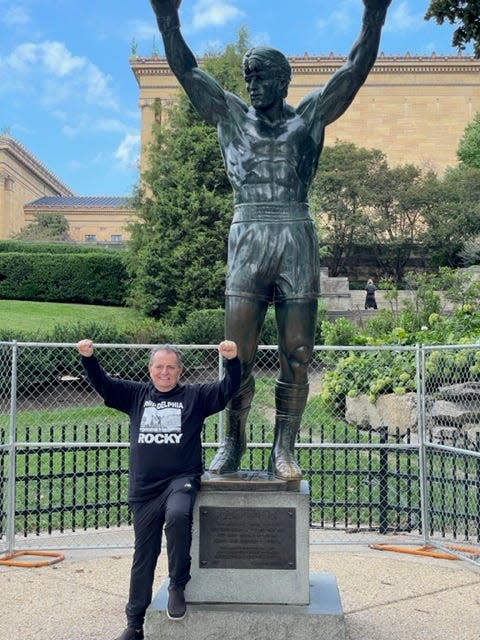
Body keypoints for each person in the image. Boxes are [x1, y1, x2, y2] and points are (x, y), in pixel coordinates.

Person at [150, 0, 391, 481]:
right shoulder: (231, 118)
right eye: (248, 78)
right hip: (248, 235)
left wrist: (374, 16)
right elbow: (187, 69)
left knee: (298, 351)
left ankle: (284, 448)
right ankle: (233, 441)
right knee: (234, 351)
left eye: (261, 77)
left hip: (296, 235)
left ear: (283, 81)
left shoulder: (309, 119)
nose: (252, 86)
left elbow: (354, 70)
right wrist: (167, 17)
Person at [76, 339, 240, 640]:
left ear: (180, 371)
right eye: (159, 367)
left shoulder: (194, 396)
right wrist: (89, 358)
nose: (164, 372)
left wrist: (232, 361)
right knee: (144, 553)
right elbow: (104, 384)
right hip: (145, 487)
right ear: (150, 370)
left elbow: (227, 390)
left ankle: (177, 585)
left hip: (181, 478)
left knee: (178, 516)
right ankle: (135, 623)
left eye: (170, 367)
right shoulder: (136, 394)